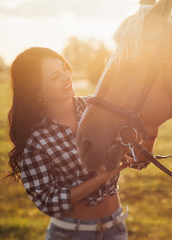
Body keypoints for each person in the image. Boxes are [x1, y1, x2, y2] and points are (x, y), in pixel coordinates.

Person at [7, 47, 132, 240]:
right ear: (36, 90)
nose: (66, 77)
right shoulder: (35, 139)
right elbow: (47, 201)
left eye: (64, 68)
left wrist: (132, 150)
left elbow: (132, 149)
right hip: (72, 234)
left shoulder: (98, 108)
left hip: (115, 228)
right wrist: (98, 179)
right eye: (54, 77)